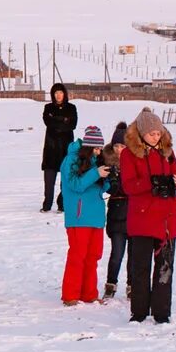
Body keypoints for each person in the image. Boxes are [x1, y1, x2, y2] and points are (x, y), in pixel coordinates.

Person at [120, 107, 176, 324]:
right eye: (151, 134)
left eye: (158, 133)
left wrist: (172, 181)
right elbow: (128, 185)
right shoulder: (129, 154)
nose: (156, 137)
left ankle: (162, 312)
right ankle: (138, 312)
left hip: (167, 219)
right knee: (140, 267)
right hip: (142, 218)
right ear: (142, 134)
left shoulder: (167, 151)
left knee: (165, 268)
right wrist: (151, 183)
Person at [58, 125, 110, 305]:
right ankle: (71, 295)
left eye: (100, 148)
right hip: (78, 217)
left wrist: (108, 178)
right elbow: (75, 185)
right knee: (77, 256)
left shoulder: (96, 160)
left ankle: (89, 294)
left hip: (96, 216)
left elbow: (102, 187)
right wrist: (95, 173)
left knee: (93, 256)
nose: (98, 152)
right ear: (87, 147)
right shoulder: (70, 160)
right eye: (96, 148)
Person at [102, 122, 130, 300]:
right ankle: (111, 284)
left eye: (123, 146)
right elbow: (110, 188)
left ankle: (132, 286)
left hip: (134, 214)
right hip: (117, 215)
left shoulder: (135, 162)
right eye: (117, 146)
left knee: (134, 256)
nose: (119, 149)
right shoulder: (108, 163)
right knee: (117, 253)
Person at [40, 83, 77, 212]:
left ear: (64, 94)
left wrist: (56, 120)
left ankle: (62, 204)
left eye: (60, 92)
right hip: (50, 149)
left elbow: (72, 125)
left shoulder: (71, 108)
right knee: (49, 181)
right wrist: (63, 120)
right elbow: (47, 122)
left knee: (65, 180)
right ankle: (47, 204)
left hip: (66, 149)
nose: (58, 95)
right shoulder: (48, 107)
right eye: (55, 93)